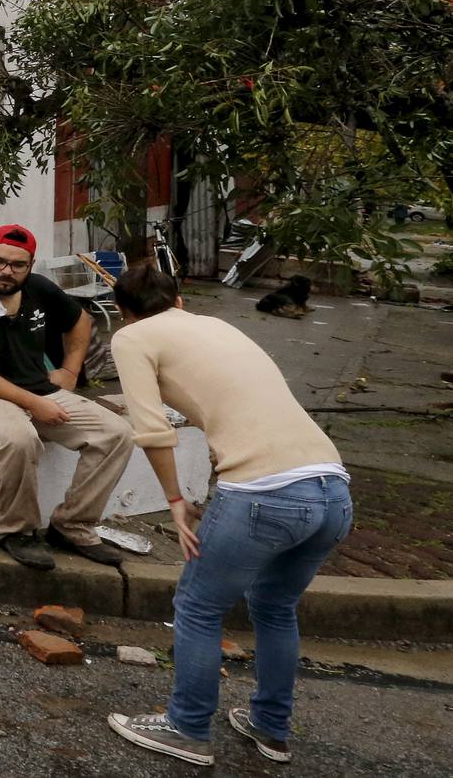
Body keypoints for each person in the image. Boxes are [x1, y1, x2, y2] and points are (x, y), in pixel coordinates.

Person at [105, 266, 353, 768]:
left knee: (197, 605)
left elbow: (151, 430)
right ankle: (271, 726)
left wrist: (176, 500)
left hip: (264, 492)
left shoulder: (131, 337)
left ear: (123, 312)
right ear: (178, 300)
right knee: (276, 606)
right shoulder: (220, 325)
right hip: (332, 488)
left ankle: (188, 727)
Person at [0, 224, 133, 570]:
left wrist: (69, 372)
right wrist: (33, 403)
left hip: (36, 387)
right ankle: (16, 531)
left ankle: (72, 525)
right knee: (19, 438)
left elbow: (81, 320)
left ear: (31, 264)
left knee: (116, 434)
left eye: (17, 265)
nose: (6, 271)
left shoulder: (39, 289)